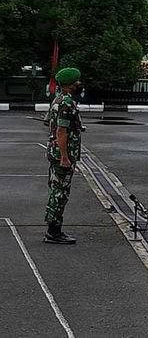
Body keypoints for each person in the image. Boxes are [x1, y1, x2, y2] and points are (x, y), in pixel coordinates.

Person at [43, 67, 84, 245]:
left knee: (56, 189)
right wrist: (65, 157)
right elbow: (61, 131)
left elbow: (49, 122)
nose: (79, 84)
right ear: (70, 85)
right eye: (77, 82)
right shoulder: (66, 102)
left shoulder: (57, 100)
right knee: (60, 192)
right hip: (62, 155)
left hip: (54, 151)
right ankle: (54, 232)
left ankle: (54, 230)